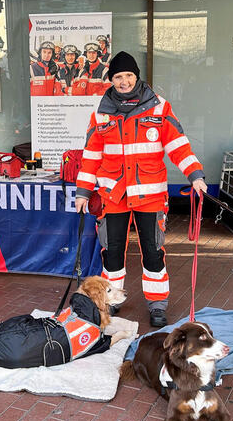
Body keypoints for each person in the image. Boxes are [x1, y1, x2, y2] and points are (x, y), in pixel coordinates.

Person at [75, 51, 207, 327]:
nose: (123, 82)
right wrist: (83, 191)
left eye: (128, 76)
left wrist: (194, 175)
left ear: (137, 77)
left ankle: (157, 304)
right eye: (118, 77)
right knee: (112, 253)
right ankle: (112, 301)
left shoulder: (159, 107)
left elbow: (178, 145)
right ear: (111, 80)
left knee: (153, 251)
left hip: (150, 196)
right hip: (114, 195)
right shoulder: (101, 113)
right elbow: (91, 155)